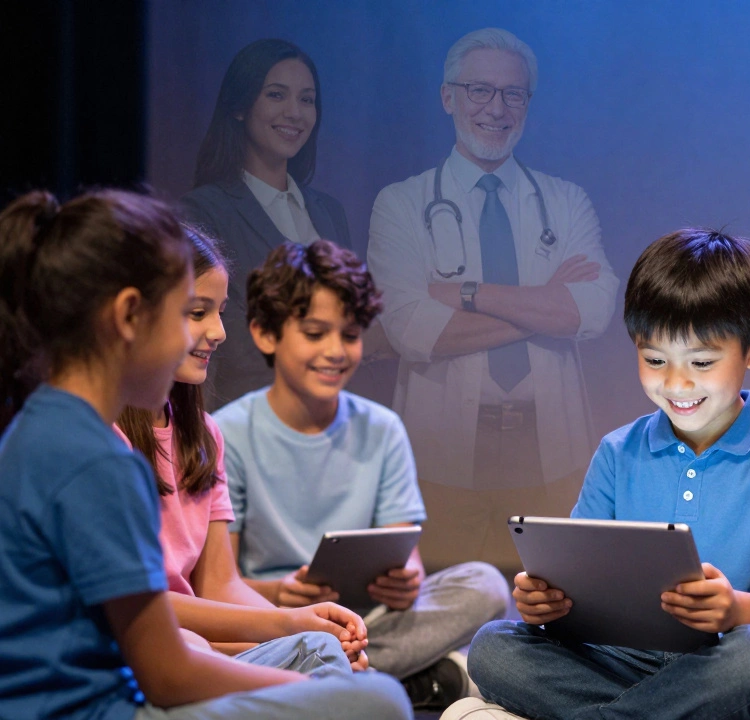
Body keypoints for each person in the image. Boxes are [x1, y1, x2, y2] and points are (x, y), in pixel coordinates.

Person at [0, 189, 411, 719]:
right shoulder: (96, 458)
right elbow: (166, 672)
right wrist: (303, 685)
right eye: (185, 315)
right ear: (129, 315)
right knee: (378, 701)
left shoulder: (45, 428)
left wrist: (294, 635)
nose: (211, 336)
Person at [445, 229, 750, 720]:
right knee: (493, 646)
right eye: (654, 360)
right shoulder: (617, 451)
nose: (676, 383)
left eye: (702, 362)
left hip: (724, 668)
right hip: (620, 662)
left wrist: (734, 609)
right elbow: (577, 580)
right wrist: (545, 601)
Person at [212, 239, 509, 710]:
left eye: (349, 335)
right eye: (315, 333)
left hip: (365, 619)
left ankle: (343, 674)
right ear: (266, 334)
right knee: (232, 638)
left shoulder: (381, 428)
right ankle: (395, 678)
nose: (335, 351)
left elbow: (403, 551)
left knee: (486, 585)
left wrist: (405, 579)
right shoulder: (226, 433)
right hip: (272, 620)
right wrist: (282, 592)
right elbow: (216, 584)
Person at [367, 27, 619, 572]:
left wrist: (466, 295)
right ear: (448, 97)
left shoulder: (566, 200)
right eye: (480, 90)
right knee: (442, 615)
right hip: (443, 461)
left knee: (556, 616)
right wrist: (546, 308)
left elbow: (595, 311)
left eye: (514, 94)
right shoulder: (401, 204)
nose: (497, 109)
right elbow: (411, 330)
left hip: (551, 456)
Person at [115, 226, 369, 673]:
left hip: (203, 646)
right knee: (335, 670)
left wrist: (302, 627)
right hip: (143, 651)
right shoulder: (103, 435)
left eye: (219, 313)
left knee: (331, 657)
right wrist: (287, 625)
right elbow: (135, 602)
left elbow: (218, 581)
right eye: (197, 312)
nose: (218, 332)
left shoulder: (204, 434)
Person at [182, 39, 354, 410]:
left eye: (307, 100)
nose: (295, 112)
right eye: (277, 95)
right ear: (240, 106)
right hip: (247, 426)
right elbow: (229, 342)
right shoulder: (203, 212)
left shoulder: (330, 212)